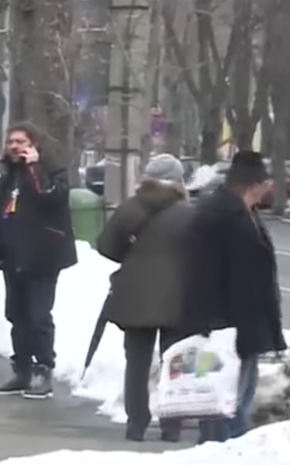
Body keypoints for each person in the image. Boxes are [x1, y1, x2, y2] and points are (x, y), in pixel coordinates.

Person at [182, 150, 286, 444]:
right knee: (223, 406)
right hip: (225, 329)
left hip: (243, 328)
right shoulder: (220, 215)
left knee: (236, 403)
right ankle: (219, 454)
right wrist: (215, 326)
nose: (270, 187)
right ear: (254, 183)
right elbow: (207, 274)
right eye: (266, 181)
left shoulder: (245, 213)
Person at [96, 154, 193, 442]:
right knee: (175, 360)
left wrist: (135, 255)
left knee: (136, 360)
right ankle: (172, 425)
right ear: (178, 180)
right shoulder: (188, 212)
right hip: (179, 294)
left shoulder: (131, 208)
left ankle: (136, 423)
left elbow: (106, 246)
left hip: (136, 294)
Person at [0, 122, 76, 399]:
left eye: (21, 142)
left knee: (38, 316)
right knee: (16, 315)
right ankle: (21, 369)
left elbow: (51, 198)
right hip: (13, 256)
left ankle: (43, 370)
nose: (14, 147)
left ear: (34, 145)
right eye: (11, 142)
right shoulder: (8, 177)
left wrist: (35, 168)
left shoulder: (51, 172)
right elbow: (1, 215)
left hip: (43, 256)